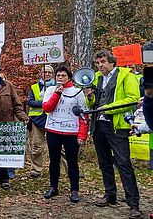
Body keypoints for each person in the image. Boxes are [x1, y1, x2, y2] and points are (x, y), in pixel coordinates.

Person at [85, 50, 141, 219]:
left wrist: (110, 108)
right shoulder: (96, 77)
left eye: (103, 61)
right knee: (104, 163)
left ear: (112, 62)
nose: (100, 65)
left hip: (116, 127)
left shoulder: (126, 76)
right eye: (98, 63)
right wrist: (89, 97)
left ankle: (133, 203)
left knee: (123, 164)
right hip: (99, 126)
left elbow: (133, 98)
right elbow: (94, 102)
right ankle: (110, 194)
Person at [41, 66, 88, 203]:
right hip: (53, 131)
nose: (60, 78)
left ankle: (74, 190)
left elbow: (83, 114)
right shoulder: (50, 90)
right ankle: (53, 187)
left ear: (69, 77)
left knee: (72, 162)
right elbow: (47, 108)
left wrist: (82, 135)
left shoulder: (77, 92)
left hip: (71, 132)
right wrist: (57, 94)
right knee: (54, 161)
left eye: (63, 75)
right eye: (58, 75)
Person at [27, 65, 55, 178]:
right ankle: (36, 169)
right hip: (37, 119)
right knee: (36, 145)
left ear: (52, 74)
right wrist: (44, 102)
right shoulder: (34, 87)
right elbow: (30, 102)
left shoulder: (58, 86)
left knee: (61, 147)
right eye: (45, 72)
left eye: (49, 72)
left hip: (53, 119)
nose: (47, 74)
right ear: (41, 74)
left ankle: (69, 169)